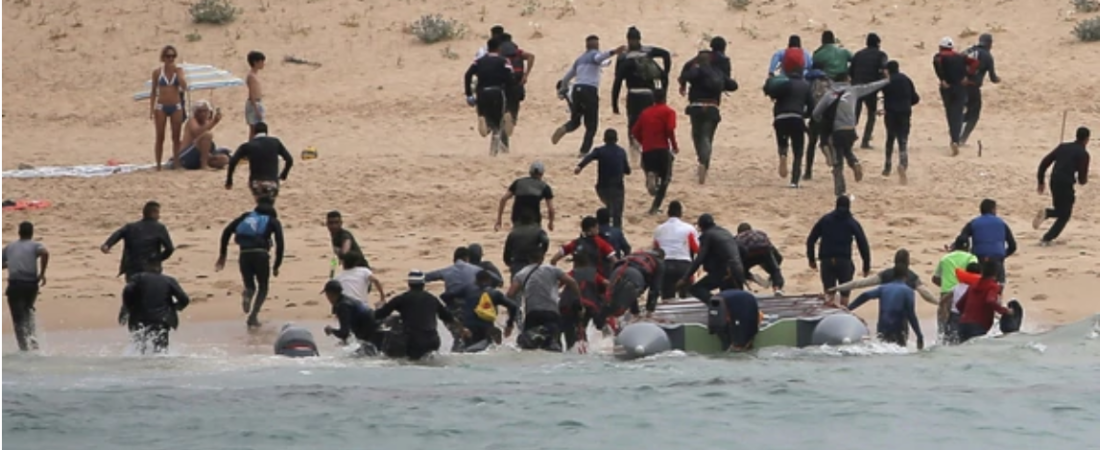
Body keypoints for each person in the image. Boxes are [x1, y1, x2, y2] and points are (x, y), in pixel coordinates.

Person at [812, 71, 890, 196]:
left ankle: (840, 190)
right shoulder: (854, 91)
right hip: (850, 129)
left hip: (837, 130)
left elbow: (816, 113)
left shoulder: (829, 94)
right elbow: (870, 87)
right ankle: (855, 163)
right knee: (847, 150)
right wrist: (887, 80)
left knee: (838, 161)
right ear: (847, 79)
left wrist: (823, 123)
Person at [215, 196, 286, 328]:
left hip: (244, 254)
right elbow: (280, 244)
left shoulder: (246, 216)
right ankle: (253, 316)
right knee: (263, 286)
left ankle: (248, 294)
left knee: (250, 285)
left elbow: (227, 231)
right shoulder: (272, 221)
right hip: (261, 254)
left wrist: (223, 254)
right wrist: (277, 265)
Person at [551, 35, 627, 156]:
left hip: (577, 89)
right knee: (591, 125)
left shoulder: (579, 60)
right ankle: (583, 151)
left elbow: (566, 78)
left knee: (575, 121)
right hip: (589, 91)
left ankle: (564, 128)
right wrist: (614, 51)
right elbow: (599, 58)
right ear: (596, 45)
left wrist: (563, 89)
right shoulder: (594, 55)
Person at [373, 271, 470, 360]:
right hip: (433, 341)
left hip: (413, 341)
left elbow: (380, 314)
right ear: (423, 284)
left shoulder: (402, 298)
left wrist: (379, 307)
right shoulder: (432, 299)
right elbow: (449, 318)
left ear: (409, 284)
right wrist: (462, 329)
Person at [678, 49, 738, 184]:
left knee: (696, 135)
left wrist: (688, 74)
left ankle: (701, 160)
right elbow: (733, 86)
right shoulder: (717, 72)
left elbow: (685, 76)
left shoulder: (697, 70)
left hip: (696, 107)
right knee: (707, 137)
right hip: (712, 107)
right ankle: (704, 163)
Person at [612, 26, 672, 157]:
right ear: (640, 39)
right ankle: (648, 147)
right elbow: (666, 54)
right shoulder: (648, 52)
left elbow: (618, 80)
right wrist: (666, 73)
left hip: (633, 94)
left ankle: (634, 149)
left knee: (633, 121)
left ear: (628, 39)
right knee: (650, 120)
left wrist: (614, 102)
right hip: (650, 94)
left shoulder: (624, 57)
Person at [508, 251, 582, 352]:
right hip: (552, 313)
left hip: (532, 314)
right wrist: (578, 299)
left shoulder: (521, 273)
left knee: (528, 346)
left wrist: (513, 316)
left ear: (529, 260)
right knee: (554, 345)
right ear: (542, 258)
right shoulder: (553, 270)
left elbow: (510, 294)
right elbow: (572, 282)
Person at [806, 195, 871, 306]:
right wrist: (866, 265)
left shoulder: (825, 220)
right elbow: (862, 243)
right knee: (844, 295)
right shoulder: (852, 222)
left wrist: (811, 259)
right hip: (844, 261)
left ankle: (830, 316)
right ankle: (843, 316)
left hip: (827, 261)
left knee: (829, 293)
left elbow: (811, 239)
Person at [763, 51, 815, 187]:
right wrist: (806, 115)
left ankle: (783, 153)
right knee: (798, 151)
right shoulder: (805, 85)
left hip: (780, 118)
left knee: (782, 141)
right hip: (797, 118)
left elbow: (773, 95)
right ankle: (794, 181)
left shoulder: (783, 83)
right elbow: (812, 106)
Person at [1034, 126, 1090, 245]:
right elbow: (1082, 177)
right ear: (1087, 139)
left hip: (1053, 181)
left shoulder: (1063, 147)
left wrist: (1041, 181)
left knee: (1061, 210)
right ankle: (1047, 236)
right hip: (1066, 183)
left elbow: (1044, 162)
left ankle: (1047, 230)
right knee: (1065, 214)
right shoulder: (1083, 154)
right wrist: (1083, 181)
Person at [121, 261, 190, 354]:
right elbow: (185, 299)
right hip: (162, 319)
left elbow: (128, 289)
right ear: (161, 269)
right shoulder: (169, 280)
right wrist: (175, 307)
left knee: (140, 348)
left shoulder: (138, 278)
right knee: (161, 350)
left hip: (140, 318)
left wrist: (129, 306)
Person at [827, 248, 939, 306]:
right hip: (903, 316)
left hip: (885, 313)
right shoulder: (913, 277)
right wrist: (939, 303)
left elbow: (860, 284)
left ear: (895, 261)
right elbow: (926, 294)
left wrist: (837, 288)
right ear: (908, 261)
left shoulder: (886, 274)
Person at [464, 37, 517, 155]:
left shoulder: (479, 61)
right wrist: (510, 96)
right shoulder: (504, 61)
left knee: (486, 117)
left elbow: (468, 75)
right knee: (498, 123)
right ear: (499, 48)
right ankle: (496, 147)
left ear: (488, 49)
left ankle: (486, 126)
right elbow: (511, 78)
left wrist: (468, 94)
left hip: (482, 93)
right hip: (497, 92)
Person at [101, 201, 175, 285]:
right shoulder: (159, 228)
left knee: (134, 293)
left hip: (132, 267)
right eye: (158, 213)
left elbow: (118, 234)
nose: (159, 216)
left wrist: (107, 245)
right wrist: (158, 259)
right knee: (149, 292)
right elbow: (169, 249)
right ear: (154, 213)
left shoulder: (131, 227)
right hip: (151, 268)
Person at [677, 214, 747, 301]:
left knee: (696, 289)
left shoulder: (707, 235)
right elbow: (743, 249)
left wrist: (685, 278)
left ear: (701, 226)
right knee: (734, 301)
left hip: (725, 271)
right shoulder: (725, 232)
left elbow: (699, 259)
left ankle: (716, 304)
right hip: (736, 269)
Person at [2, 222, 49, 351]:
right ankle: (34, 344)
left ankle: (23, 349)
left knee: (18, 318)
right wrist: (42, 273)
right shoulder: (35, 245)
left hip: (15, 285)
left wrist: (11, 264)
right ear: (32, 232)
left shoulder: (10, 247)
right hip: (31, 285)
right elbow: (44, 252)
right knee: (28, 312)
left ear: (19, 232)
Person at [632, 89, 679, 214]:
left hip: (647, 150)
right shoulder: (669, 112)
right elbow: (670, 130)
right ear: (665, 97)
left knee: (651, 169)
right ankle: (654, 207)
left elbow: (635, 131)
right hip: (662, 149)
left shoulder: (645, 113)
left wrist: (644, 142)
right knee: (666, 179)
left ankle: (651, 174)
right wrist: (674, 146)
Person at [932, 37, 979, 155]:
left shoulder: (938, 57)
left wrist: (942, 79)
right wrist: (967, 75)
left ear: (940, 47)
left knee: (949, 112)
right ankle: (955, 140)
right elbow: (975, 63)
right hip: (960, 87)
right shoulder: (960, 57)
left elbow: (939, 69)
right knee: (958, 114)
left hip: (946, 88)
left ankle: (953, 138)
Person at [575, 129, 631, 228]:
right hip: (617, 187)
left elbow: (589, 157)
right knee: (617, 214)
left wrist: (580, 166)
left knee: (609, 207)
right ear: (616, 139)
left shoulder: (600, 151)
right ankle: (616, 232)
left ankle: (605, 226)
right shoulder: (621, 152)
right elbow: (627, 171)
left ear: (604, 139)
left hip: (602, 187)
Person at [225, 122, 294, 201]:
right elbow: (289, 160)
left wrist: (229, 181)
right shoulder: (275, 142)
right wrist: (283, 175)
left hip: (256, 182)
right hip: (272, 181)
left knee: (260, 202)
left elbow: (233, 162)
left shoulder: (247, 146)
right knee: (269, 203)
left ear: (253, 132)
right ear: (267, 132)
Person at [847, 280, 924, 349]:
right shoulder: (908, 291)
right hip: (899, 328)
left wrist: (849, 308)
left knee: (883, 348)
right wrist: (919, 335)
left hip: (883, 326)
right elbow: (911, 315)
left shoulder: (883, 288)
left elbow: (866, 295)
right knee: (899, 351)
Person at [956, 199, 1017, 284]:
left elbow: (962, 238)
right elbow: (1013, 246)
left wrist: (968, 252)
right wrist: (1003, 255)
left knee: (978, 284)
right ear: (993, 210)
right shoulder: (1002, 223)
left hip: (979, 256)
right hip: (997, 257)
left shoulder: (974, 222)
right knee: (998, 285)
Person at [603, 249, 666, 330]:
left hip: (616, 272)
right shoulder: (659, 262)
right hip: (635, 277)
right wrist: (649, 311)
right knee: (623, 307)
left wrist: (635, 311)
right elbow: (655, 289)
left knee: (611, 308)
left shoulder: (633, 255)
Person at [459, 269, 520, 352]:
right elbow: (513, 306)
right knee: (487, 349)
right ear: (489, 280)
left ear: (476, 280)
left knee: (468, 350)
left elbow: (446, 296)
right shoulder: (495, 293)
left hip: (469, 328)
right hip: (486, 328)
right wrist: (509, 324)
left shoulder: (467, 290)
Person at [879, 60, 920, 181]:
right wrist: (906, 104)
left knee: (890, 138)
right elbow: (915, 98)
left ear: (888, 70)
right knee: (903, 139)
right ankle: (903, 164)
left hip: (891, 113)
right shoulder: (906, 79)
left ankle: (887, 166)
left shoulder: (887, 82)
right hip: (904, 113)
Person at [149, 45, 188, 171]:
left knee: (176, 137)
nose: (170, 59)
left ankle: (177, 163)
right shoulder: (157, 72)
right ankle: (158, 164)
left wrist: (179, 75)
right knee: (160, 136)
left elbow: (185, 86)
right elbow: (153, 91)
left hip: (176, 105)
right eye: (168, 56)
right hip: (161, 106)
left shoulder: (179, 71)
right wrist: (151, 108)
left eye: (172, 56)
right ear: (163, 58)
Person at [559, 251, 609, 351]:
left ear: (575, 263)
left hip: (570, 305)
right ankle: (587, 347)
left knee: (569, 331)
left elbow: (558, 284)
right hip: (589, 305)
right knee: (584, 327)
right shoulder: (594, 274)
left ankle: (571, 350)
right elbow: (607, 283)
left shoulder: (572, 273)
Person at [955, 259, 1013, 343]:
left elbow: (959, 305)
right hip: (978, 326)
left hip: (963, 324)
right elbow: (990, 300)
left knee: (963, 351)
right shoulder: (993, 286)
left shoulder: (973, 285)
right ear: (997, 273)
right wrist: (1005, 311)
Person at [848, 33, 888, 150]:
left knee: (854, 115)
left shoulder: (858, 54)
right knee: (871, 115)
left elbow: (850, 72)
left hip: (856, 88)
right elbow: (885, 70)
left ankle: (849, 139)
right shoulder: (881, 55)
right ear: (878, 44)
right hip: (871, 88)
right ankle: (865, 140)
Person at [932, 238, 979, 339]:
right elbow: (974, 274)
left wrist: (945, 283)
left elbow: (935, 279)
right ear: (968, 248)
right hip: (964, 294)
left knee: (943, 327)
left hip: (946, 293)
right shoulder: (971, 257)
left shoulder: (945, 258)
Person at [321, 280, 382, 356]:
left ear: (330, 294)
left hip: (372, 334)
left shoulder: (343, 306)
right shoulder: (347, 300)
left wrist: (331, 330)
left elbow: (344, 333)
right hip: (376, 328)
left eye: (327, 294)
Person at [960, 33, 1001, 146]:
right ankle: (962, 139)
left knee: (961, 112)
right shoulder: (987, 56)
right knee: (974, 114)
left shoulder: (968, 51)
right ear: (990, 44)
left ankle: (955, 134)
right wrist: (998, 80)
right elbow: (993, 78)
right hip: (973, 88)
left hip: (960, 87)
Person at [653, 200, 699, 300]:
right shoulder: (689, 229)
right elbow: (696, 248)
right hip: (684, 265)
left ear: (668, 213)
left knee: (667, 298)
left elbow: (656, 250)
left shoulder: (659, 229)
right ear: (680, 213)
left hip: (665, 265)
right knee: (687, 298)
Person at [495, 161, 555, 231]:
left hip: (517, 218)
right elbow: (551, 209)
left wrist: (499, 219)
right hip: (533, 219)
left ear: (530, 172)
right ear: (542, 174)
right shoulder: (545, 187)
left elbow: (503, 199)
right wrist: (550, 223)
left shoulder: (518, 182)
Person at [550, 216, 618, 278]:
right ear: (591, 229)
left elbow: (554, 259)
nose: (598, 230)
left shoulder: (575, 243)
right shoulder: (600, 242)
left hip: (577, 279)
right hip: (596, 280)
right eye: (597, 228)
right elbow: (615, 261)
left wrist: (554, 275)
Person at [498, 33, 535, 142]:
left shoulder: (499, 53)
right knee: (513, 106)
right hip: (517, 83)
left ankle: (500, 143)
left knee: (500, 114)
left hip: (503, 84)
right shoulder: (518, 52)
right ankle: (512, 118)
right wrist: (526, 75)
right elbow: (531, 56)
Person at [173, 100, 230, 170]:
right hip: (186, 155)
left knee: (224, 159)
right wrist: (214, 122)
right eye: (200, 111)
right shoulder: (192, 121)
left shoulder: (206, 122)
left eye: (205, 111)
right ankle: (204, 165)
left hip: (198, 156)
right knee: (207, 135)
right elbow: (197, 132)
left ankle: (206, 161)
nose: (203, 114)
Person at [735, 223, 784, 296]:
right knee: (775, 270)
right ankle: (777, 288)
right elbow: (776, 254)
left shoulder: (737, 237)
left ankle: (751, 277)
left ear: (739, 232)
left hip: (749, 253)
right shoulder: (759, 233)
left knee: (741, 269)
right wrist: (773, 271)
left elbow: (735, 255)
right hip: (764, 251)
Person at [803, 65, 833, 181]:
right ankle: (835, 166)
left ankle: (808, 172)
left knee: (811, 144)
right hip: (828, 116)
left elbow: (808, 102)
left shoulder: (809, 82)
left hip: (815, 115)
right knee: (829, 141)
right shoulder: (830, 82)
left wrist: (805, 115)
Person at [502, 210, 550, 277]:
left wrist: (509, 263)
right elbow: (545, 241)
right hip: (533, 261)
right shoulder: (538, 230)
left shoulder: (513, 233)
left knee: (517, 283)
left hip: (517, 262)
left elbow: (507, 250)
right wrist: (541, 252)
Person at [245, 50, 266, 140]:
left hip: (257, 103)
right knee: (253, 129)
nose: (263, 64)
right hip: (254, 104)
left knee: (257, 129)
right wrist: (256, 109)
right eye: (261, 62)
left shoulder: (254, 75)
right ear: (255, 62)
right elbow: (252, 94)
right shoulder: (251, 76)